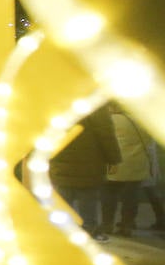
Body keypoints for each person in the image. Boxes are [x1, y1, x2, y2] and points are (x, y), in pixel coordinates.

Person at [50, 103, 121, 241]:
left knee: (64, 197)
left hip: (61, 160)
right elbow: (106, 134)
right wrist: (114, 159)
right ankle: (90, 231)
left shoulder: (57, 103)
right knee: (88, 198)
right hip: (89, 161)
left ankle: (62, 232)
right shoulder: (95, 106)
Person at [100, 102, 151, 237]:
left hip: (115, 163)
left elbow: (105, 140)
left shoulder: (111, 119)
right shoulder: (142, 120)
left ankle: (107, 224)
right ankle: (127, 226)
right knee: (131, 198)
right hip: (137, 164)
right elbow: (149, 141)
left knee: (109, 195)